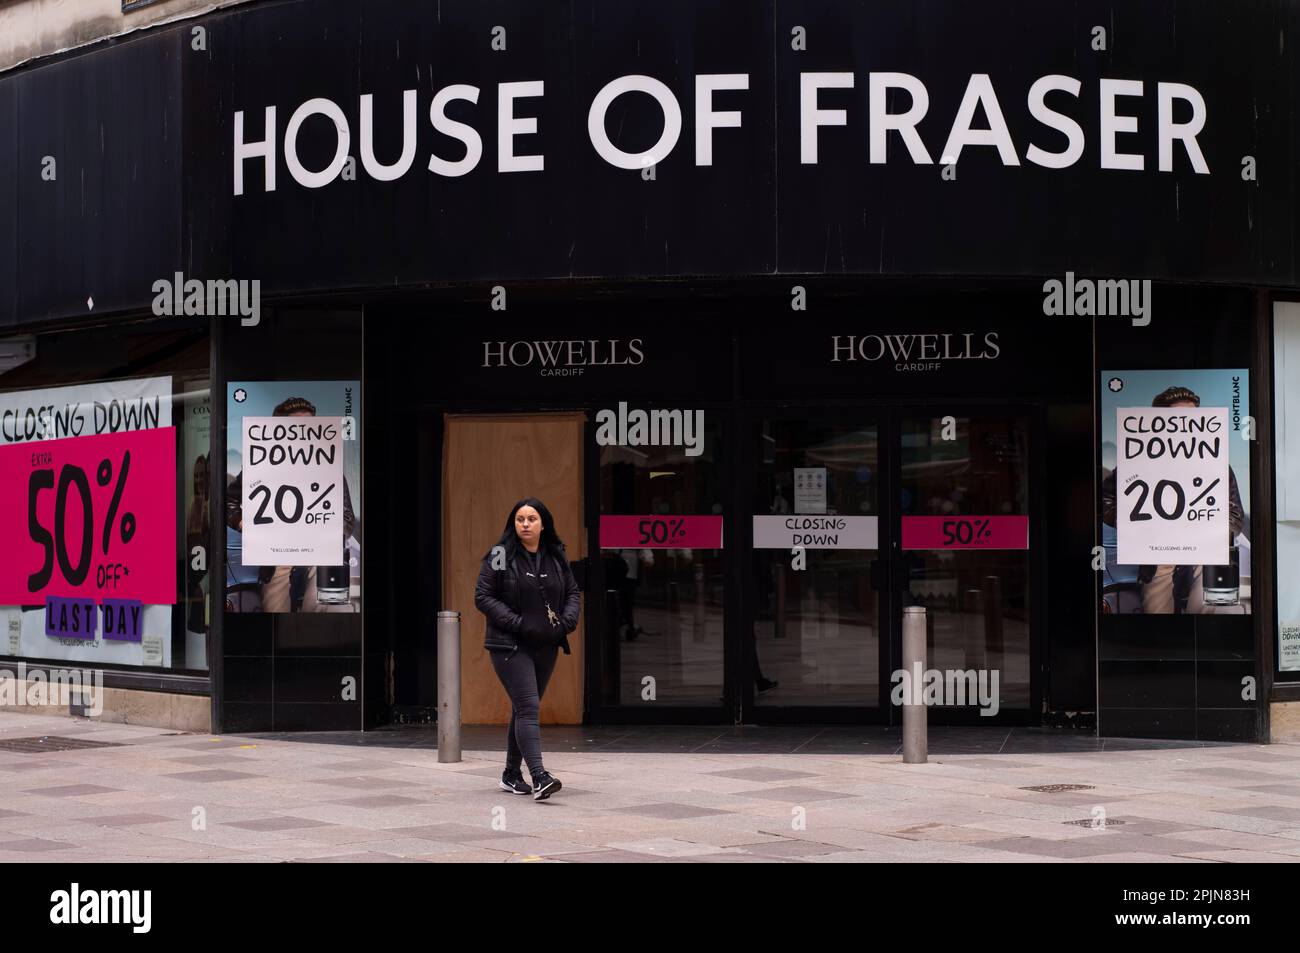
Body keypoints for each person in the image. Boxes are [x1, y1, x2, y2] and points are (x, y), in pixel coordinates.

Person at [1101, 385, 1245, 613]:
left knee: (1210, 601)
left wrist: (1213, 532)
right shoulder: (1137, 462)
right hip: (1158, 550)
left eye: (1192, 419)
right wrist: (1135, 521)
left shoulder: (1217, 465)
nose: (1186, 426)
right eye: (1178, 419)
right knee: (1156, 611)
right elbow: (1105, 501)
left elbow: (1235, 516)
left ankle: (1205, 642)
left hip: (1203, 548)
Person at [474, 498, 581, 800]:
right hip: (509, 642)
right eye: (520, 519)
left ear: (543, 523)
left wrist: (566, 623)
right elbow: (483, 596)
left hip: (546, 643)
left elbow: (572, 592)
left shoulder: (556, 555)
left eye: (532, 519)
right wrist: (519, 623)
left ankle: (510, 774)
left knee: (524, 708)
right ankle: (539, 777)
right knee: (529, 707)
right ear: (513, 523)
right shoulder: (500, 555)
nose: (525, 524)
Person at [225, 396, 357, 612]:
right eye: (297, 427)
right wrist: (243, 523)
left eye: (310, 426)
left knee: (323, 615)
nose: (304, 432)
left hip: (319, 554)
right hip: (277, 555)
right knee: (275, 617)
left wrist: (328, 536)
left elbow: (347, 518)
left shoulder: (328, 468)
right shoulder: (261, 467)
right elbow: (229, 502)